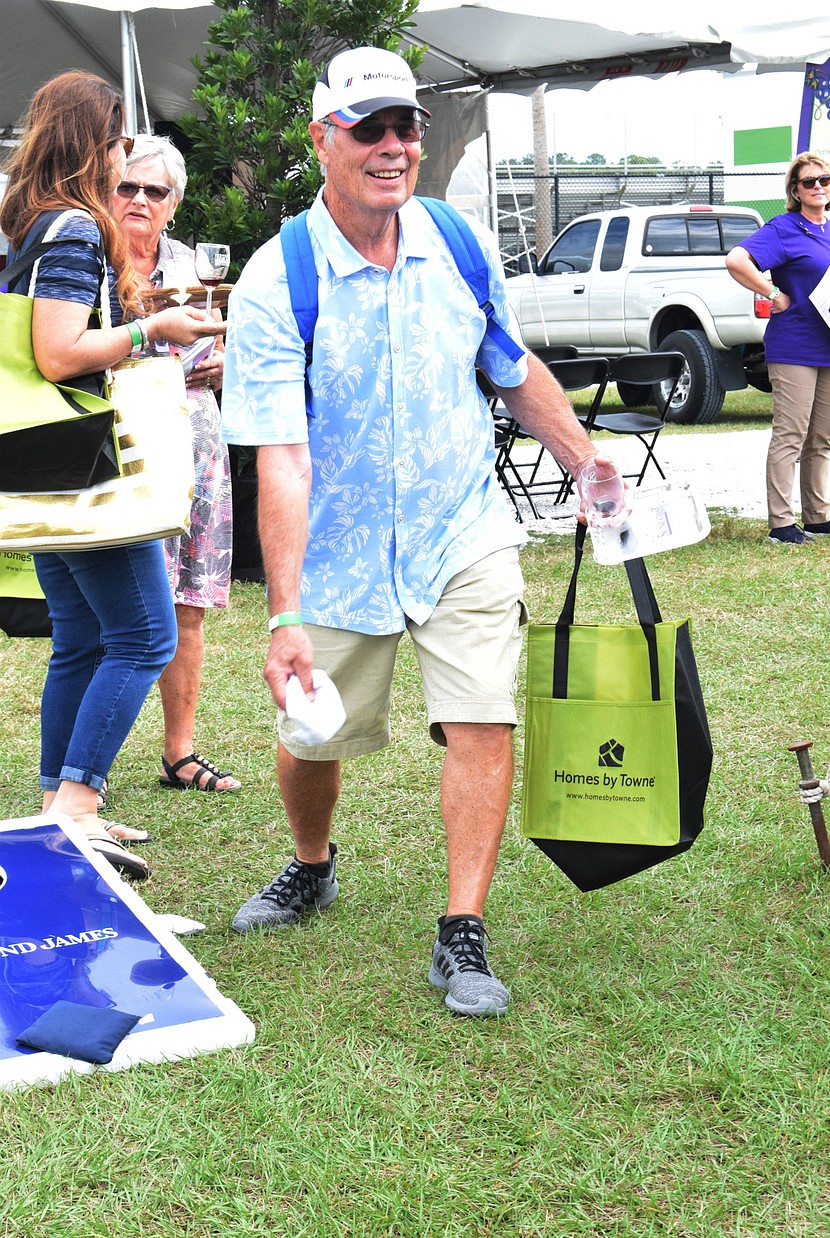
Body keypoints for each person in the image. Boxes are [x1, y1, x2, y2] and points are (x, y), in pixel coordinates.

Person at [221, 47, 622, 1018]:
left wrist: (580, 457)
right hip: (341, 556)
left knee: (484, 719)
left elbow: (507, 362)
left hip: (462, 532)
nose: (393, 146)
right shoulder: (280, 280)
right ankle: (311, 864)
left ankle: (462, 931)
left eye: (405, 126)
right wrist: (283, 616)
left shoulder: (455, 240)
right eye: (369, 129)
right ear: (323, 140)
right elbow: (281, 456)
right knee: (312, 734)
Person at [0, 72, 225, 875]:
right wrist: (151, 329)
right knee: (145, 634)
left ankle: (55, 800)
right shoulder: (71, 229)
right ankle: (78, 802)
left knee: (84, 636)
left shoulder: (25, 222)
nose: (124, 153)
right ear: (93, 141)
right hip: (84, 460)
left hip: (40, 456)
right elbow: (59, 351)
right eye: (120, 140)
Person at [113, 133, 240, 794]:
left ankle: (179, 752)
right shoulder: (93, 261)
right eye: (126, 186)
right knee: (117, 608)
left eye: (153, 190)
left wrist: (222, 368)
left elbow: (212, 358)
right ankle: (88, 765)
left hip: (193, 440)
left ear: (174, 204)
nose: (138, 199)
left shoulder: (196, 268)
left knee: (187, 599)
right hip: (119, 444)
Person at [726, 152, 830, 545]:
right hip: (794, 346)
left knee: (822, 438)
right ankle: (781, 523)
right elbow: (736, 260)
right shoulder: (783, 228)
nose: (818, 187)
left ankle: (818, 515)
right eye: (809, 182)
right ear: (795, 190)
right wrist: (772, 292)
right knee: (790, 435)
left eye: (824, 180)